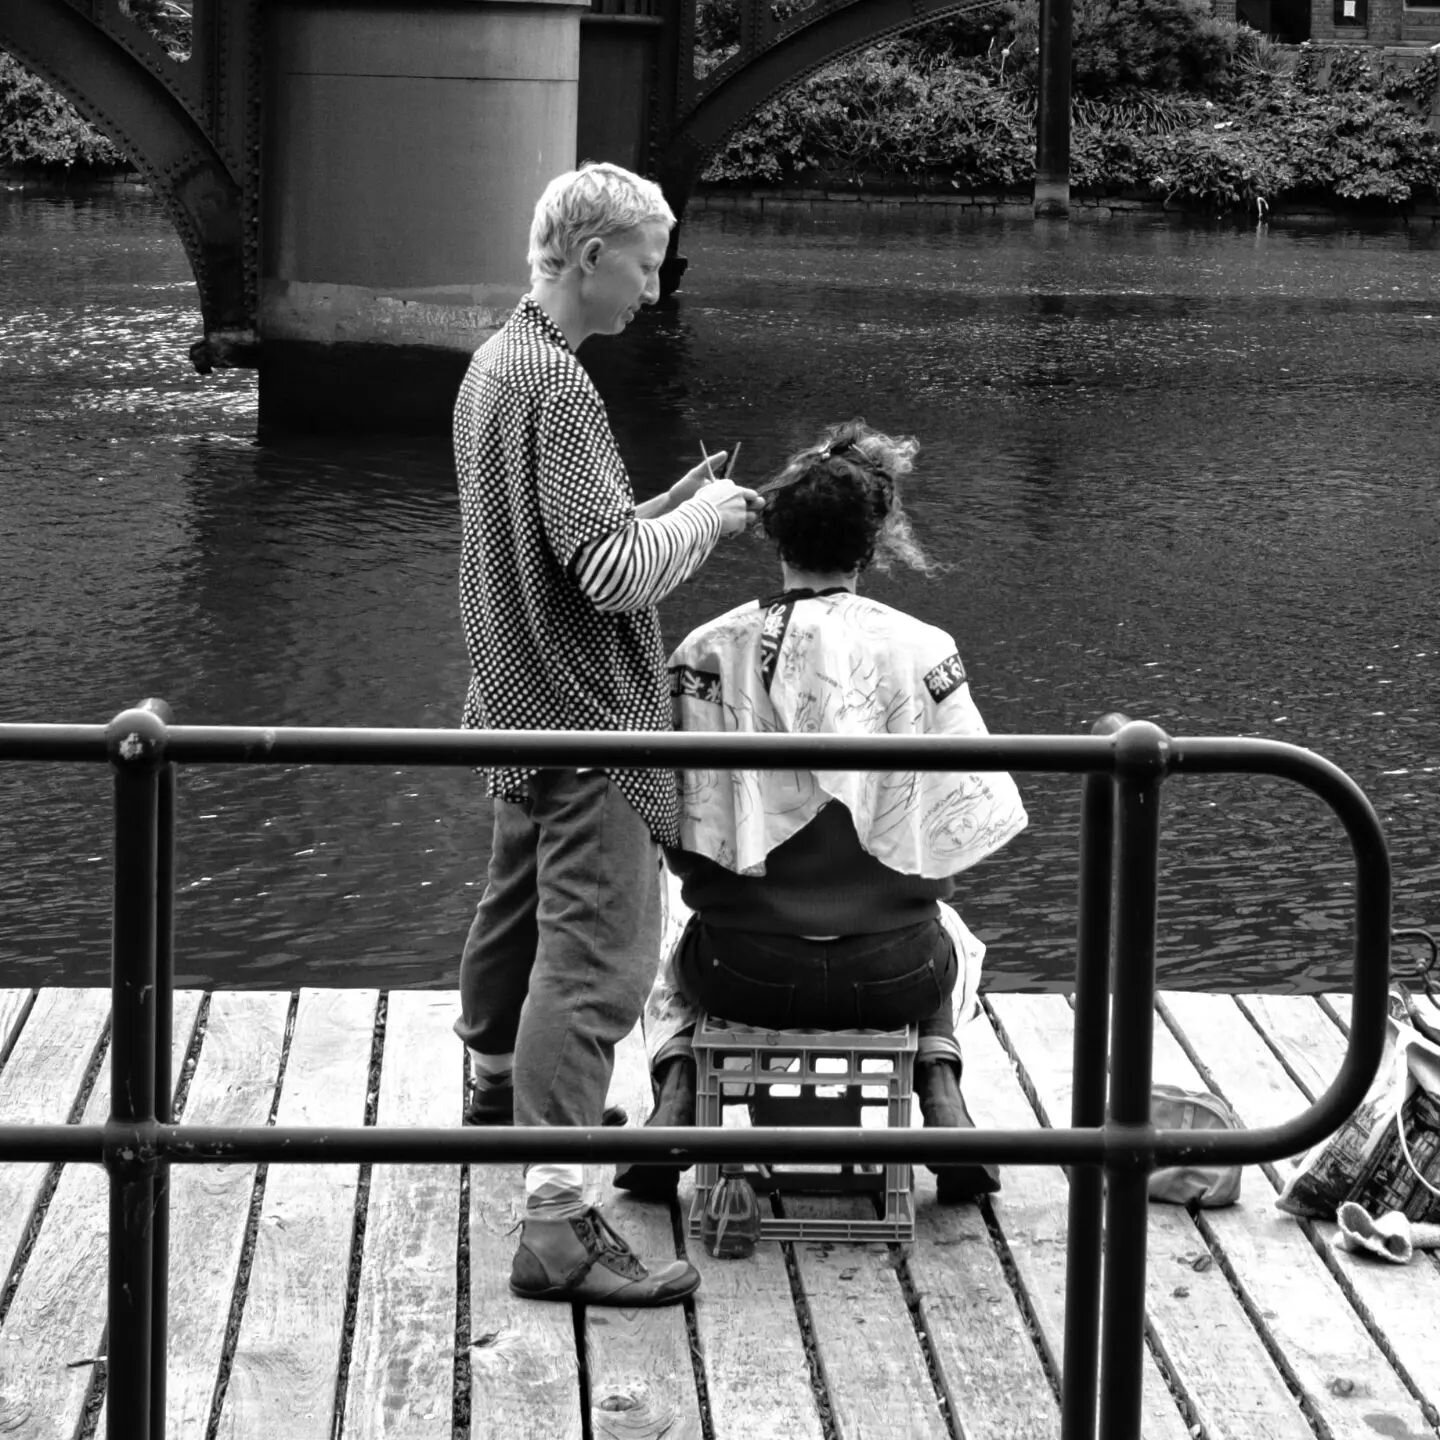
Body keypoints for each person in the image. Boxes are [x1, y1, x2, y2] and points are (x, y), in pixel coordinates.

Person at [452, 162, 760, 1308]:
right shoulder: (564, 392)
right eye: (646, 262)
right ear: (591, 259)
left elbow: (558, 547)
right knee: (595, 976)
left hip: (515, 704)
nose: (655, 287)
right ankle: (558, 1226)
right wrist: (716, 521)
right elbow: (611, 575)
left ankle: (499, 1106)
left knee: (515, 920)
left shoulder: (498, 366)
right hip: (590, 724)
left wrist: (670, 501)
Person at [612, 419, 1028, 1203]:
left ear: (774, 535)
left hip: (743, 971)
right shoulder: (924, 649)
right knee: (956, 938)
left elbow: (675, 825)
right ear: (871, 545)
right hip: (894, 972)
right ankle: (940, 1086)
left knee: (668, 933)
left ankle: (673, 1097)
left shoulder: (708, 648)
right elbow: (963, 823)